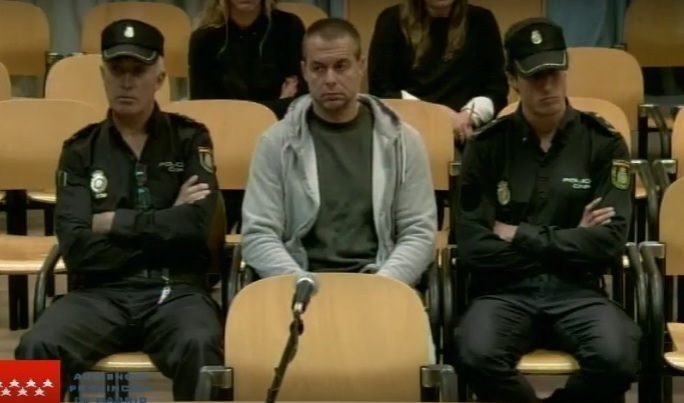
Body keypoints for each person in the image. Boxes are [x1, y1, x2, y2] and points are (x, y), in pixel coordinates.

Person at [15, 19, 224, 401]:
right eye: (117, 70)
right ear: (103, 75)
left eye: (138, 71)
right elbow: (77, 248)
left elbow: (195, 226)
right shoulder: (79, 150)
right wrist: (165, 224)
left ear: (159, 78)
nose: (126, 82)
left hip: (174, 291)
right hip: (99, 294)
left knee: (202, 344)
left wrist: (113, 222)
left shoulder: (190, 139)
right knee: (34, 348)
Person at [454, 18, 641, 403]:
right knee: (474, 353)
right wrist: (574, 238)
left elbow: (608, 242)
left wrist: (518, 233)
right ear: (512, 79)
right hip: (505, 293)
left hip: (578, 291)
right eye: (535, 76)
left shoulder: (603, 143)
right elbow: (474, 246)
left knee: (619, 356)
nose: (547, 85)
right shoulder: (486, 147)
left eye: (555, 72)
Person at [240, 18, 437, 287]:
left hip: (380, 282)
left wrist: (383, 285)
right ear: (304, 71)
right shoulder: (275, 143)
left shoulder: (403, 141)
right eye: (318, 68)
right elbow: (259, 234)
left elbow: (419, 232)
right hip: (300, 283)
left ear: (361, 66)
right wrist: (301, 283)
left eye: (341, 66)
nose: (330, 80)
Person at [367, 0, 508, 143]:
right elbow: (381, 89)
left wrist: (467, 118)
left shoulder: (481, 20)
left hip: (468, 130)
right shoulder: (392, 19)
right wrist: (435, 116)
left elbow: (496, 88)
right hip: (410, 130)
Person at [189, 0, 307, 120]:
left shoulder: (288, 26)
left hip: (281, 125)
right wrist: (277, 105)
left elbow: (301, 100)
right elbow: (204, 108)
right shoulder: (204, 39)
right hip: (227, 126)